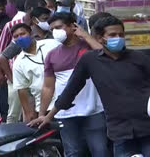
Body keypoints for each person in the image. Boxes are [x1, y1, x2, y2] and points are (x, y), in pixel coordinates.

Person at [31, 15, 150, 157]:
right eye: (112, 35)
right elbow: (71, 90)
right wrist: (48, 116)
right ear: (100, 38)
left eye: (121, 35)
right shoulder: (90, 60)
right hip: (120, 132)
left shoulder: (140, 58)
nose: (118, 38)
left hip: (146, 128)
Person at [29, 13, 109, 157]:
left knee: (100, 152)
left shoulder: (89, 47)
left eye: (59, 27)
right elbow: (48, 87)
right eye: (52, 29)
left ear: (73, 26)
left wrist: (86, 35)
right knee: (73, 152)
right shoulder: (52, 55)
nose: (55, 32)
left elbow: (106, 57)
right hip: (65, 114)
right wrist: (42, 114)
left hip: (94, 111)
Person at [0, 0, 47, 123]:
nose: (19, 37)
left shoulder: (51, 35)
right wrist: (11, 78)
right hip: (20, 75)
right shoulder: (16, 28)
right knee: (18, 111)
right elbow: (1, 55)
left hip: (41, 80)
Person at [11, 23, 60, 122]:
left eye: (22, 34)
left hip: (65, 101)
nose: (20, 38)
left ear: (31, 33)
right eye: (16, 36)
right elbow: (22, 89)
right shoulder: (18, 63)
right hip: (44, 108)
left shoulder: (52, 44)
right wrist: (28, 112)